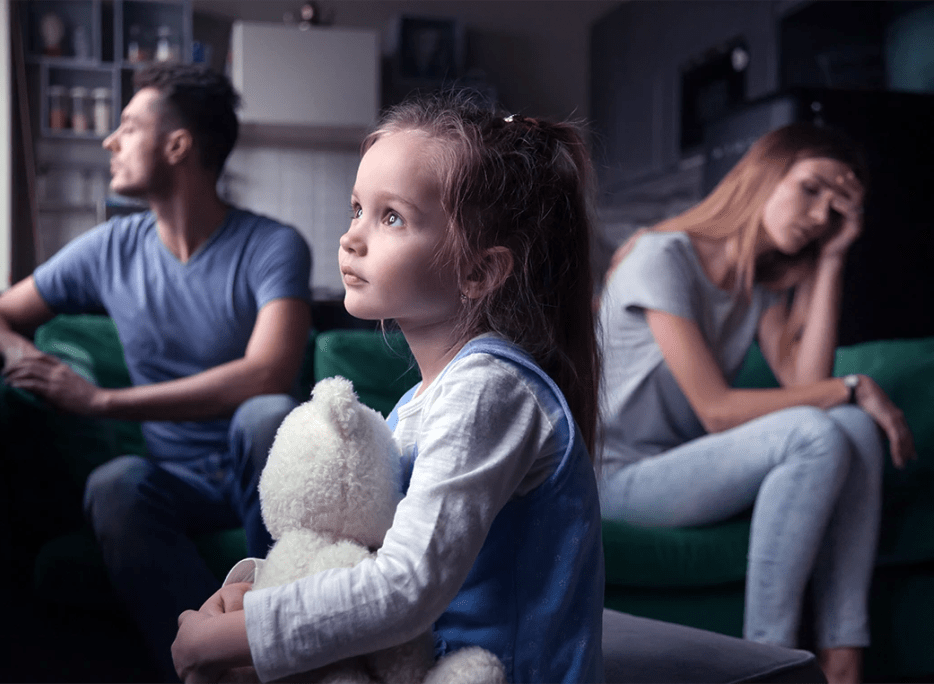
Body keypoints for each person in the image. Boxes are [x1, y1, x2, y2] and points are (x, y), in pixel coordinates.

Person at [171, 93, 606, 683]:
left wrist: (229, 635)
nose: (351, 237)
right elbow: (365, 554)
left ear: (478, 271)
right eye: (356, 210)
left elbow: (407, 586)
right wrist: (253, 591)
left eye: (391, 217)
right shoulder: (417, 406)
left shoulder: (489, 392)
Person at [0, 63, 312, 680]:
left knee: (270, 416)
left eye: (128, 127)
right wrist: (22, 356)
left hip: (254, 472)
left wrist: (100, 401)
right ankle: (209, 666)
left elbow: (267, 374)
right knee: (113, 483)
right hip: (174, 479)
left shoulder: (272, 244)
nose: (110, 141)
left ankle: (278, 639)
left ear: (177, 146)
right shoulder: (111, 248)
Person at [596, 122, 916, 684]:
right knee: (822, 425)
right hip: (613, 478)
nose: (820, 216)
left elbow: (808, 383)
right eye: (811, 189)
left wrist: (833, 258)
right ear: (764, 175)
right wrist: (855, 385)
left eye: (835, 210)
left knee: (853, 428)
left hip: (678, 469)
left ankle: (844, 657)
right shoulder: (660, 256)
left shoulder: (755, 287)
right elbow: (715, 410)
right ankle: (768, 661)